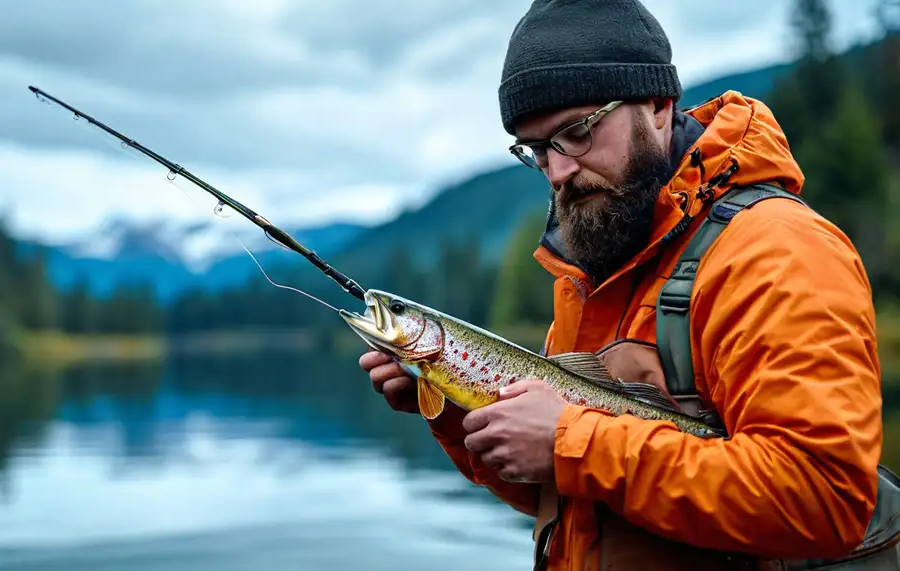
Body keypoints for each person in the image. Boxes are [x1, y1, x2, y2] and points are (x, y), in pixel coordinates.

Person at [360, 0, 889, 570]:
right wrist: (460, 416)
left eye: (578, 132)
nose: (558, 171)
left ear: (659, 105)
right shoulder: (595, 270)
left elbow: (824, 501)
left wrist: (572, 443)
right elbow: (573, 502)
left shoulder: (776, 250)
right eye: (537, 151)